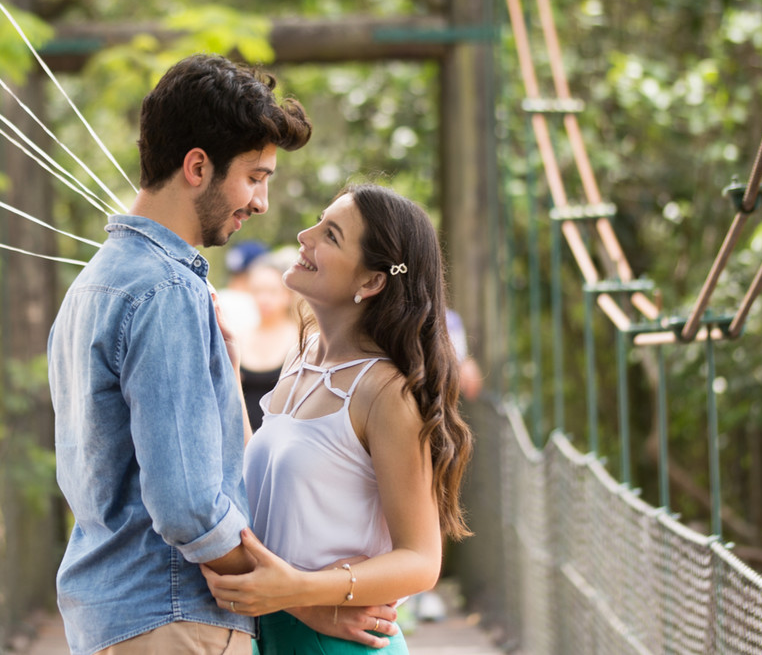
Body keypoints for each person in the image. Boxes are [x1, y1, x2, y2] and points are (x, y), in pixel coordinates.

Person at [51, 54, 393, 655]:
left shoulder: (94, 284)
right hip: (176, 618)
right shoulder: (168, 288)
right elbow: (188, 505)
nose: (261, 202)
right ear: (198, 166)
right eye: (255, 176)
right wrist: (303, 600)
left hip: (110, 616)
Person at [202, 183, 474, 654]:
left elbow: (422, 560)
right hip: (271, 633)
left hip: (338, 643)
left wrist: (301, 592)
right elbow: (261, 485)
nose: (305, 236)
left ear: (370, 282)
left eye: (330, 235)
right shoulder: (301, 358)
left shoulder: (384, 392)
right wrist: (229, 372)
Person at [239, 249, 301, 432]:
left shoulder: (302, 341)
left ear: (288, 295)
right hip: (242, 442)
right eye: (258, 291)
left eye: (272, 292)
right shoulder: (239, 337)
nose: (263, 299)